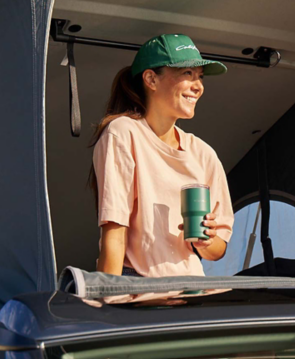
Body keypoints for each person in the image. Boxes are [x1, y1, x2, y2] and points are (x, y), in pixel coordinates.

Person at [87, 34, 234, 277]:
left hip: (190, 291)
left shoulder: (204, 154)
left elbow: (218, 250)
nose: (198, 86)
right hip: (139, 289)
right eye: (187, 74)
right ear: (151, 79)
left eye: (200, 77)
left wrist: (206, 240)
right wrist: (108, 302)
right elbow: (114, 234)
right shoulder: (123, 133)